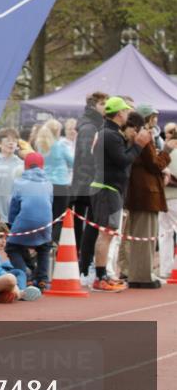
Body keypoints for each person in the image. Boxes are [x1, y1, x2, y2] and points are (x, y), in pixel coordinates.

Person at [89, 96, 151, 291]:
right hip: (107, 188)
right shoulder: (110, 135)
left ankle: (103, 274)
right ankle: (100, 277)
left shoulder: (109, 133)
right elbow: (124, 160)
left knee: (107, 233)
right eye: (125, 111)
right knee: (106, 233)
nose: (127, 115)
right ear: (119, 114)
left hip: (109, 187)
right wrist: (139, 145)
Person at [122, 109, 171, 288]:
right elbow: (154, 164)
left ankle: (139, 273)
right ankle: (142, 276)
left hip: (137, 192)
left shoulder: (128, 139)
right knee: (146, 236)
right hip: (147, 193)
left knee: (139, 236)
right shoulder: (143, 137)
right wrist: (167, 150)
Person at [6, 151, 53, 291]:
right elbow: (49, 203)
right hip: (45, 222)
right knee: (44, 247)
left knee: (12, 247)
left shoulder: (19, 182)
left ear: (25, 166)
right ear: (42, 167)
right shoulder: (49, 183)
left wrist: (12, 225)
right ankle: (43, 279)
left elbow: (14, 207)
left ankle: (24, 278)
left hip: (25, 220)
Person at [72, 91, 108, 275]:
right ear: (95, 105)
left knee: (87, 225)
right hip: (87, 183)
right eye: (103, 104)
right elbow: (86, 156)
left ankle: (83, 265)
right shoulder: (89, 127)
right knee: (87, 226)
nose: (106, 108)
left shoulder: (93, 124)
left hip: (85, 182)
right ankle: (83, 267)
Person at [35, 118, 73, 244]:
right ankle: (53, 241)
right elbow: (72, 162)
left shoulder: (41, 145)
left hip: (45, 183)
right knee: (59, 216)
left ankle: (44, 239)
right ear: (57, 132)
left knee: (47, 214)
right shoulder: (60, 146)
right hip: (61, 184)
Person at [158, 124, 177, 278]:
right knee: (165, 233)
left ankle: (166, 270)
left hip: (163, 197)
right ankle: (168, 269)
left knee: (165, 234)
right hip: (171, 197)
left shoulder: (163, 152)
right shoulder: (164, 152)